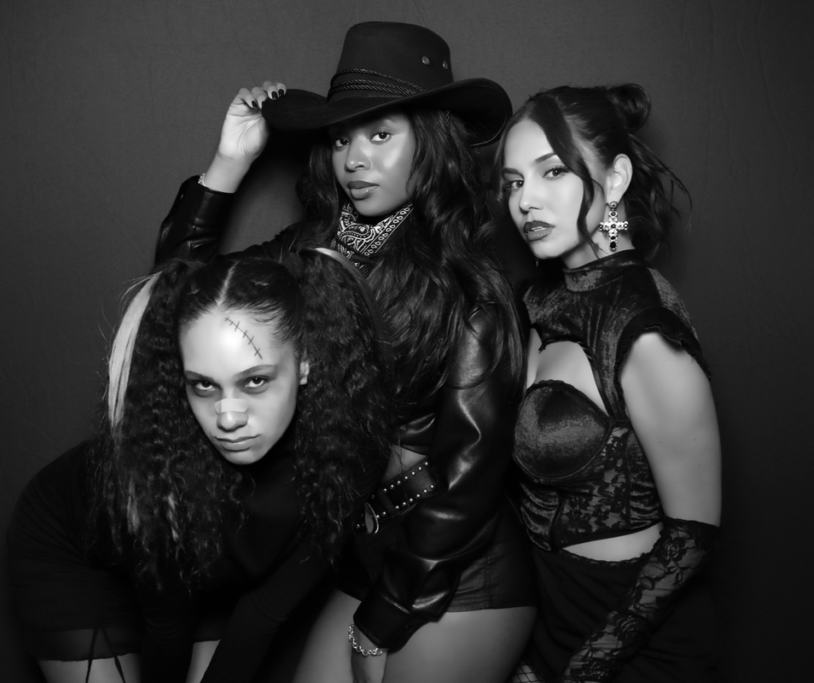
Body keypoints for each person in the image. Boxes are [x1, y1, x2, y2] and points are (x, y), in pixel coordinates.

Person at [153, 21, 536, 683]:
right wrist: (228, 165)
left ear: (432, 140)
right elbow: (181, 301)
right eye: (340, 139)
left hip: (458, 573)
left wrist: (381, 620)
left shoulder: (473, 286)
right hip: (361, 558)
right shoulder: (308, 251)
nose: (354, 159)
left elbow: (469, 483)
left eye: (380, 135)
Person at [7, 252, 394, 683]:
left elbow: (264, 612)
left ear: (305, 361)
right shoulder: (159, 466)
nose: (228, 418)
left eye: (255, 380)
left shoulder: (350, 454)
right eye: (204, 385)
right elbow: (167, 626)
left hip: (204, 579)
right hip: (73, 553)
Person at [496, 84, 721, 682]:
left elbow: (693, 535)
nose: (526, 201)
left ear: (615, 180)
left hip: (638, 646)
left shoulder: (645, 329)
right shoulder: (538, 300)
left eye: (552, 172)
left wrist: (584, 669)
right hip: (550, 624)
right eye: (514, 182)